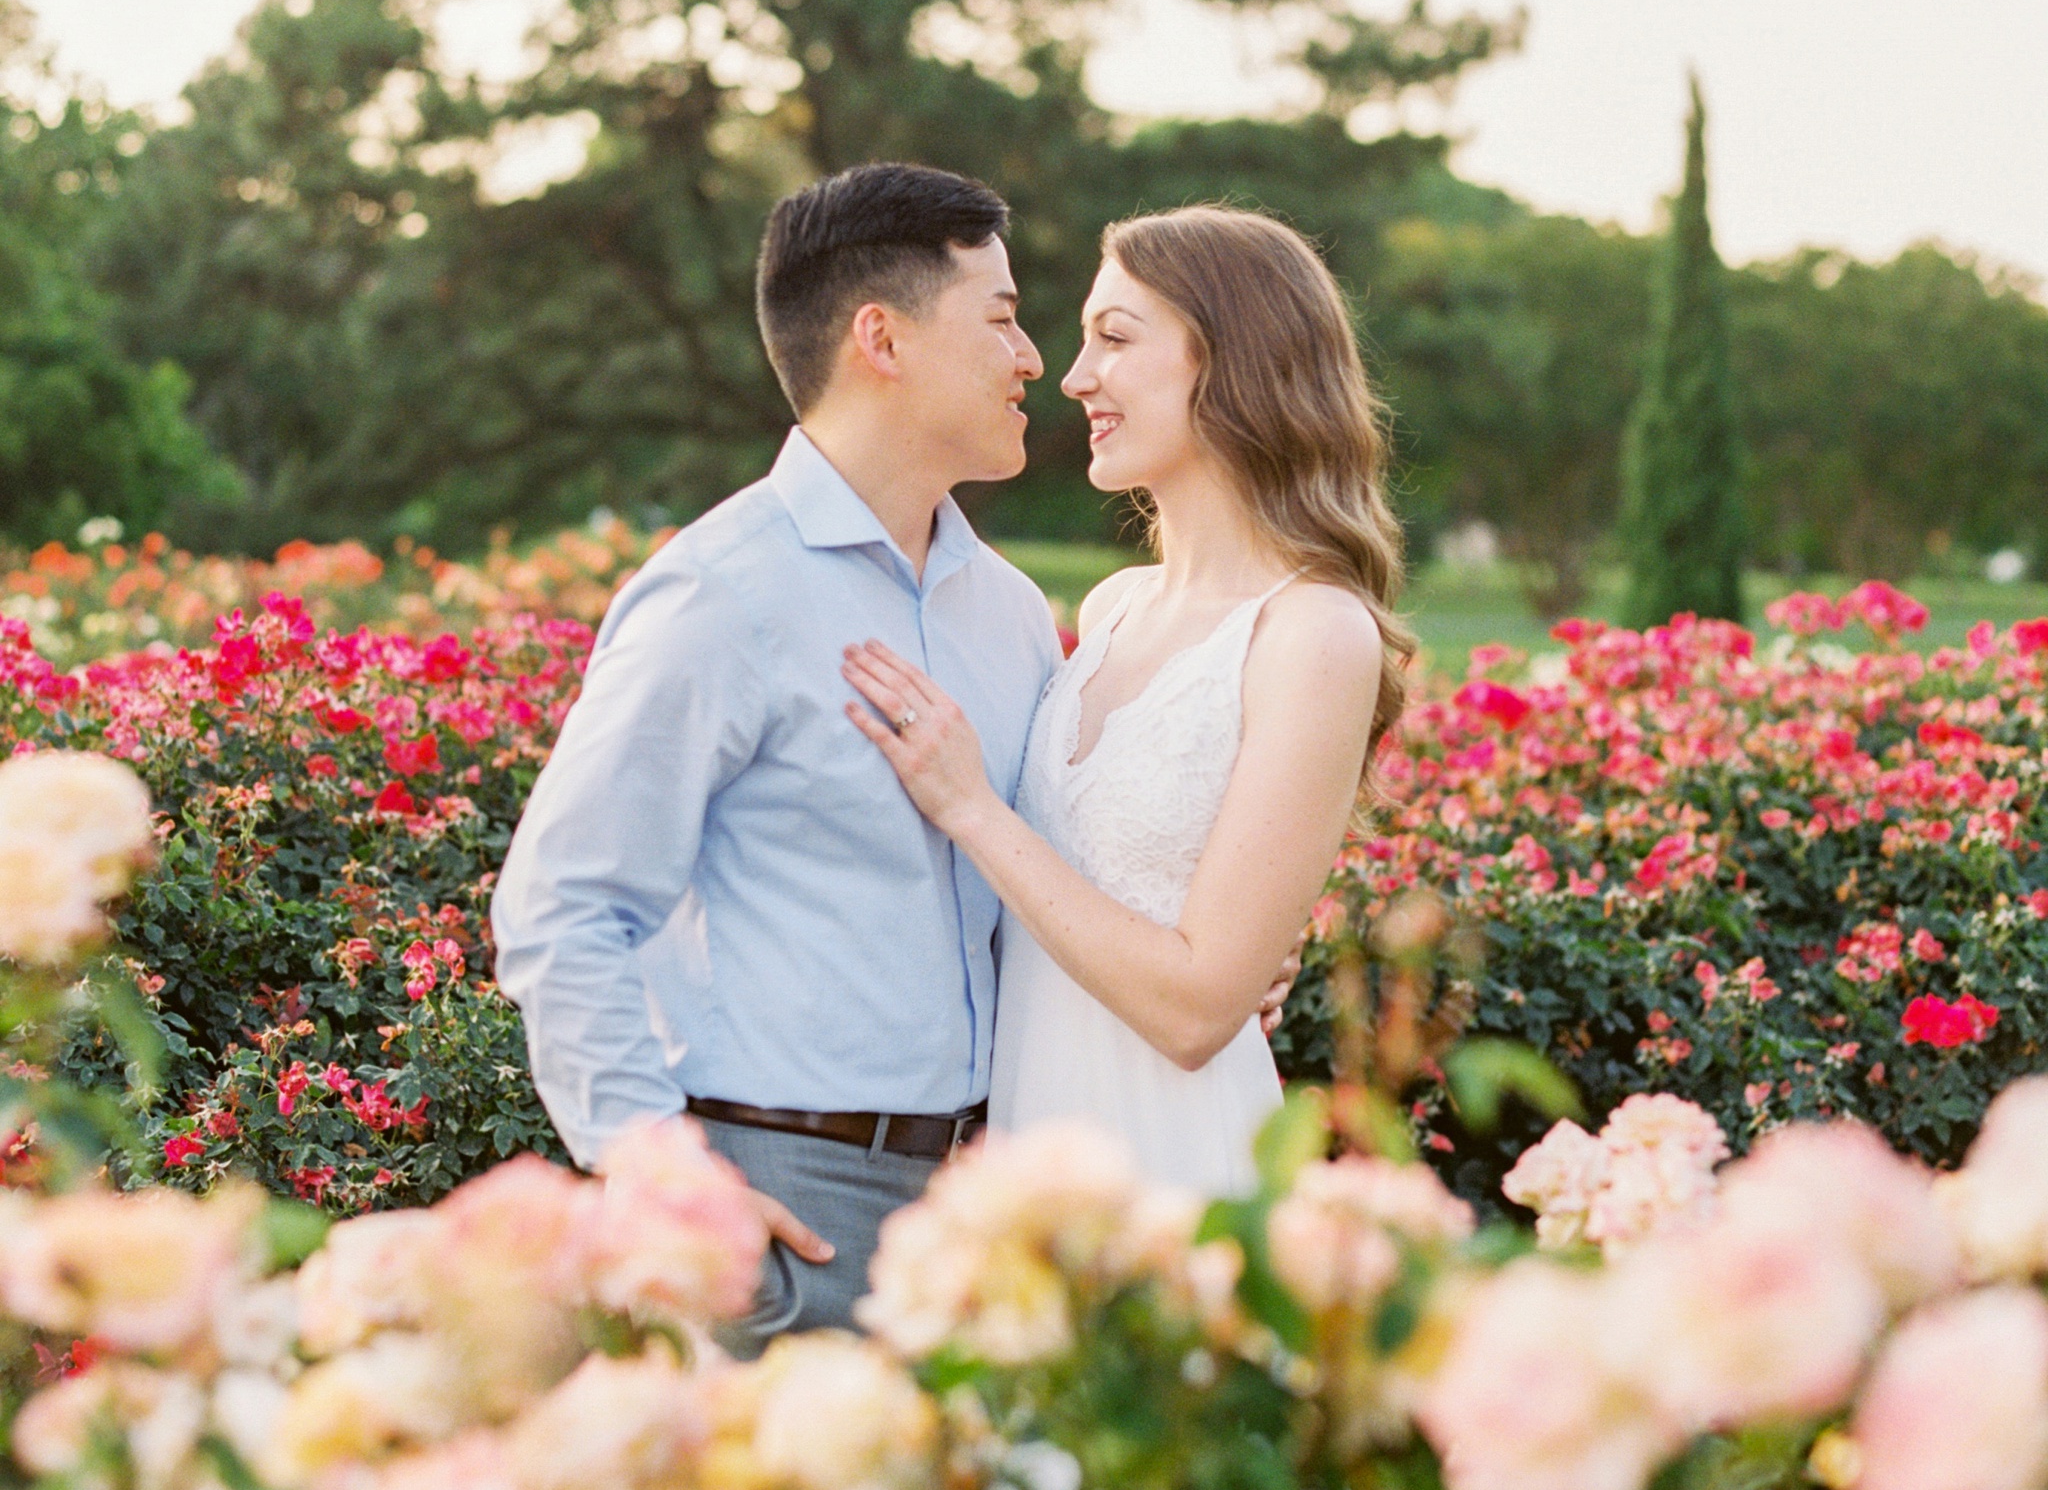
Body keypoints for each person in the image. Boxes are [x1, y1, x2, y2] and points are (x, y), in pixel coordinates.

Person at [492, 161, 1061, 1343]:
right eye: (1002, 317)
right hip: (785, 1214)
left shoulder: (1008, 614)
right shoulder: (719, 594)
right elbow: (562, 907)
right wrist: (665, 1191)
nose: (1032, 359)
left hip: (984, 1225)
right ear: (880, 337)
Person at [842, 203, 1413, 1196]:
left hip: (1176, 1162)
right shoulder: (1109, 609)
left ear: (1232, 359)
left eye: (1113, 337)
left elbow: (1196, 1011)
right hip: (1035, 1153)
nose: (1071, 377)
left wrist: (972, 808)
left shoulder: (1312, 632)